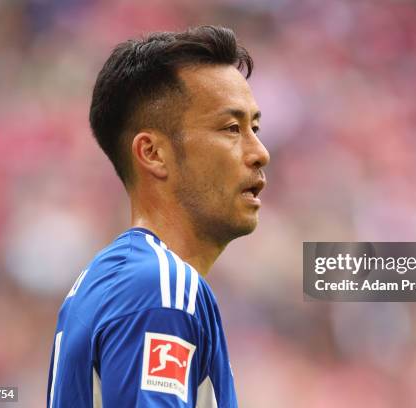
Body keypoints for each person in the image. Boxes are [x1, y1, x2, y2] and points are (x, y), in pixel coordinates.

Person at [46, 25, 269, 407]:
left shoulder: (110, 281)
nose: (260, 152)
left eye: (255, 127)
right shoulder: (159, 289)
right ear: (152, 153)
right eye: (232, 128)